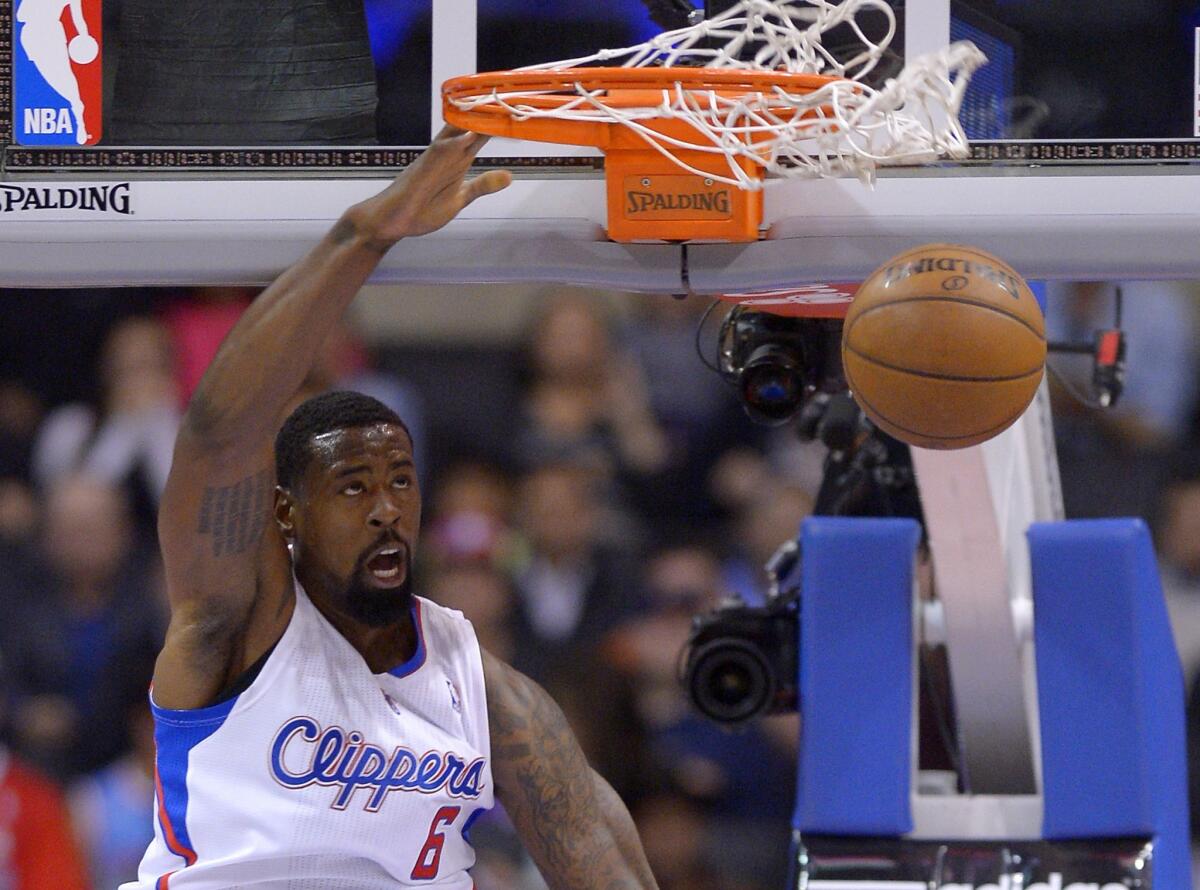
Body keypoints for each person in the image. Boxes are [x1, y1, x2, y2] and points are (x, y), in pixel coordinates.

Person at [123, 128, 657, 889]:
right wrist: (364, 236)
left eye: (400, 481)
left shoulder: (484, 690)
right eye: (351, 486)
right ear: (284, 514)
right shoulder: (236, 622)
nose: (384, 509)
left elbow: (604, 861)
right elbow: (218, 433)